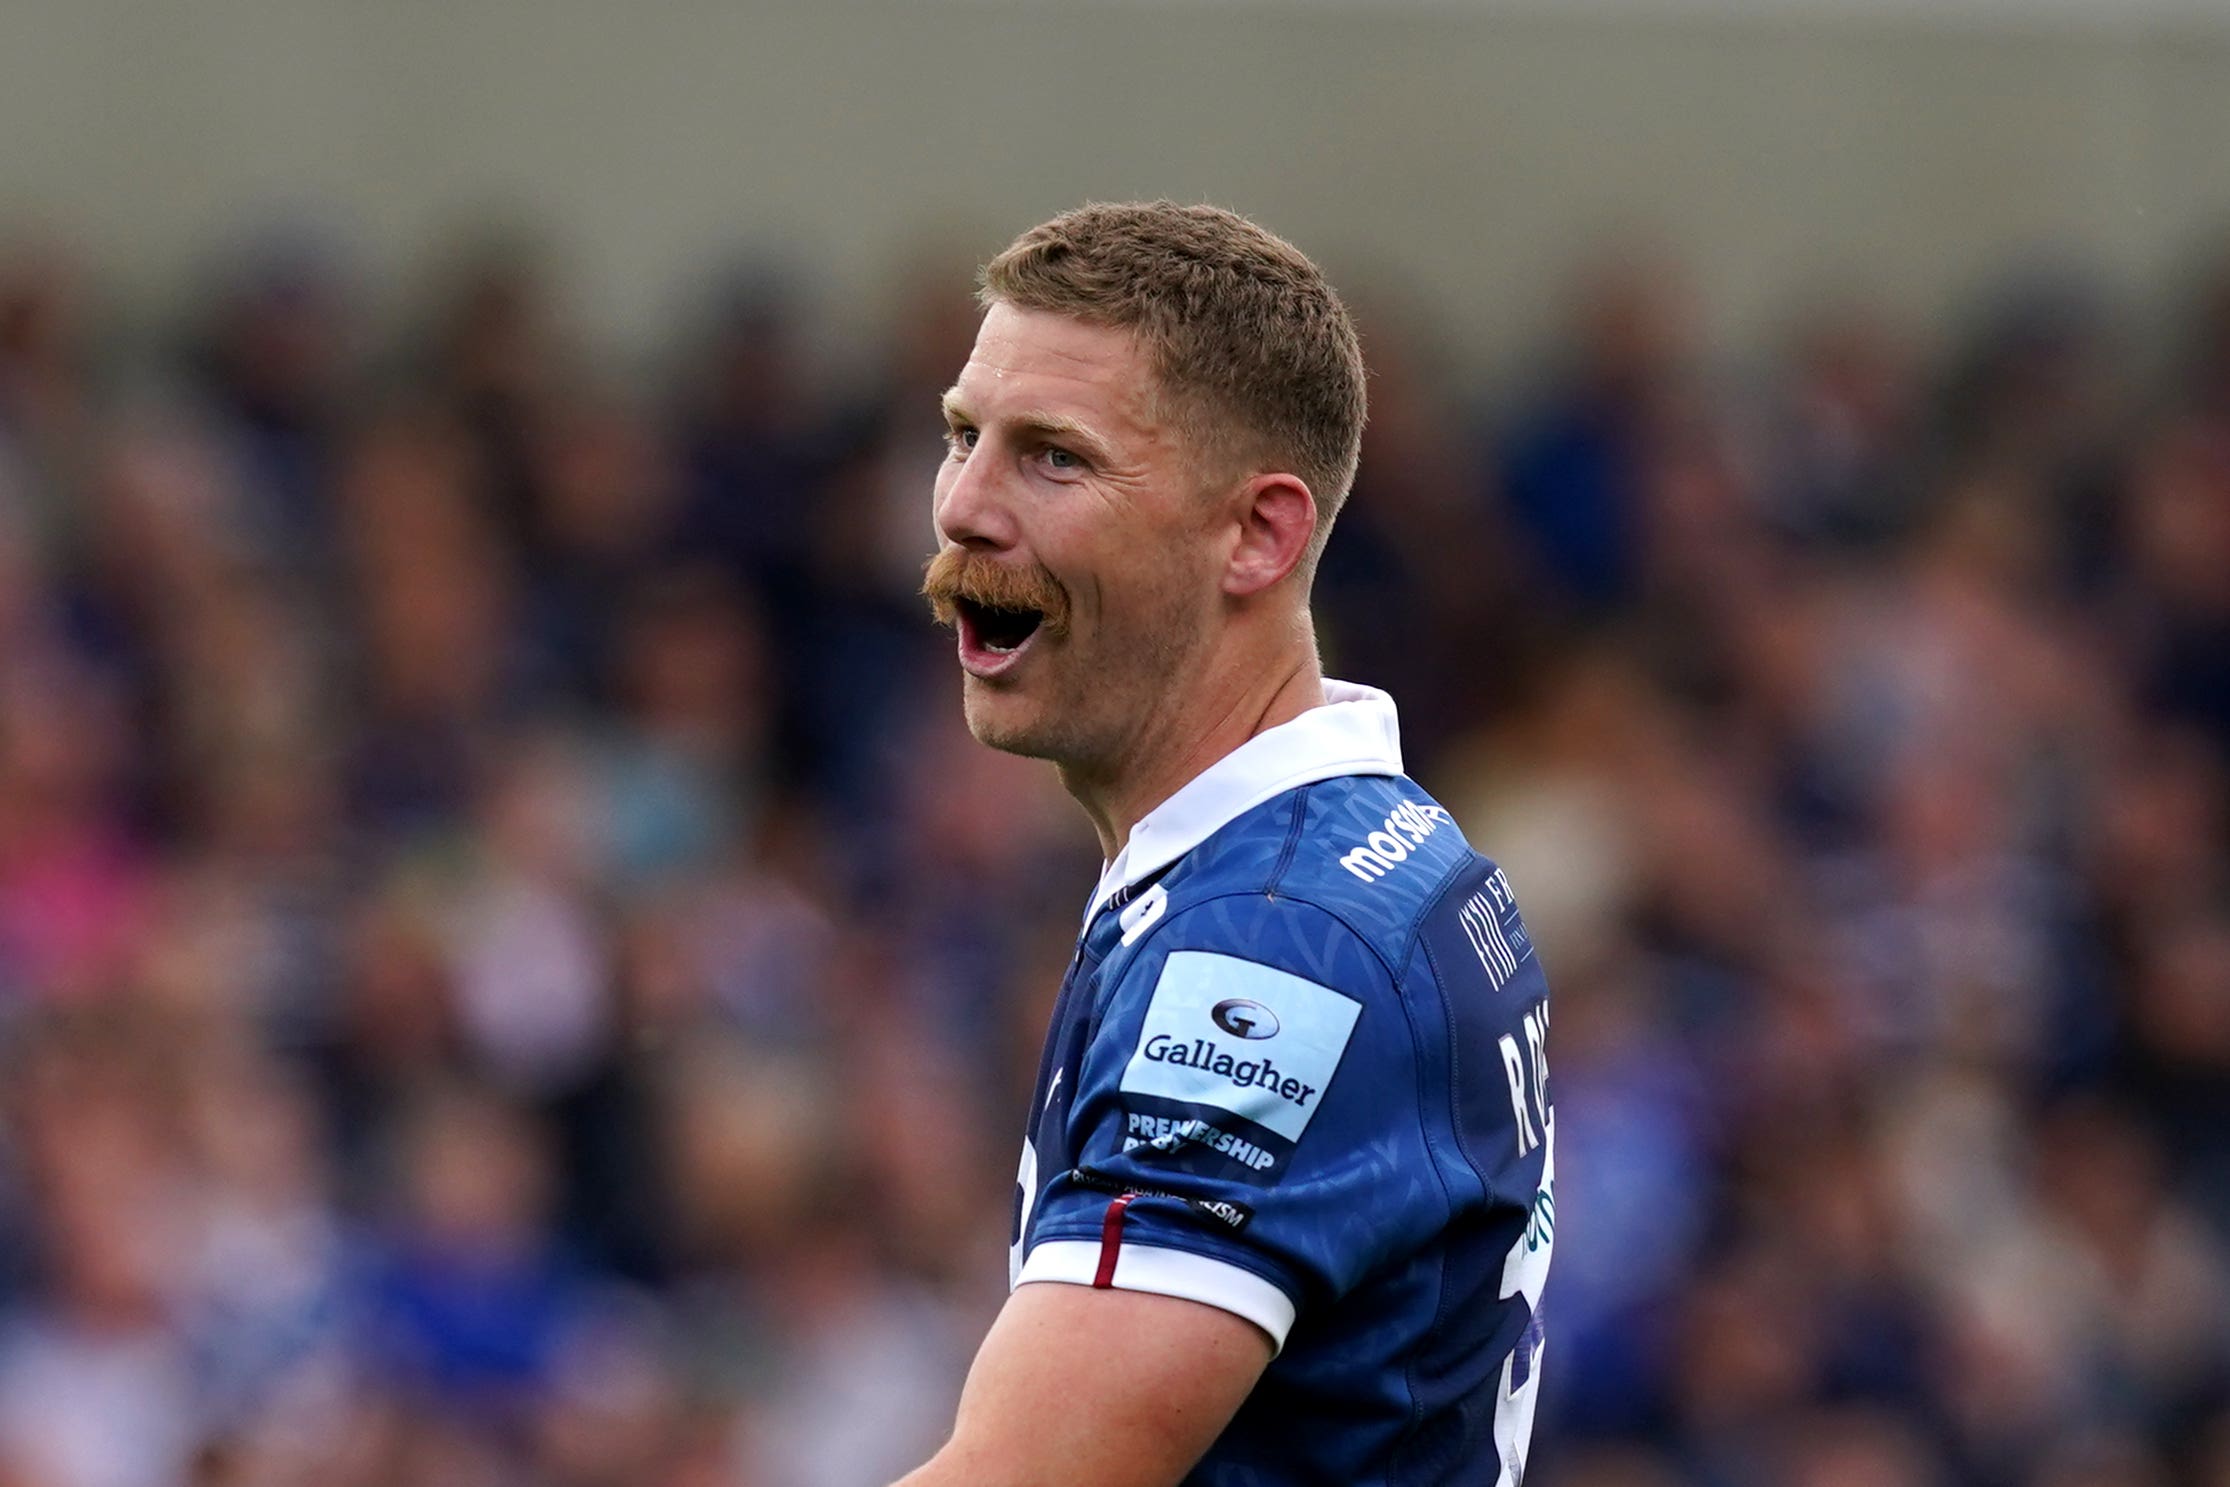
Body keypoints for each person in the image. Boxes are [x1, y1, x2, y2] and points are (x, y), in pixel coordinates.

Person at [904, 202, 1555, 1486]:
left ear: (1259, 532)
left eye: (1053, 459)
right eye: (962, 437)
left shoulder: (1272, 952)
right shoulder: (1376, 848)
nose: (965, 508)